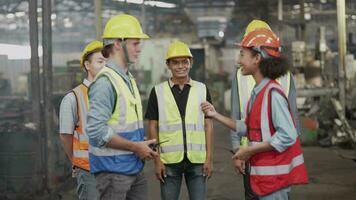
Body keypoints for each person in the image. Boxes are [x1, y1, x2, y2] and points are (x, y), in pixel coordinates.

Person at [202, 27, 308, 199]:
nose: (238, 60)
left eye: (242, 54)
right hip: (264, 179)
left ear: (257, 58)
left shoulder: (272, 94)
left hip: (275, 181)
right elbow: (249, 127)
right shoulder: (258, 92)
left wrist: (250, 150)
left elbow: (288, 135)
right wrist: (216, 115)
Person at [85, 14, 157, 199]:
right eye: (135, 43)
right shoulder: (105, 83)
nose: (139, 49)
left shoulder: (128, 79)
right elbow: (95, 131)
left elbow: (123, 124)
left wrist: (142, 143)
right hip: (113, 172)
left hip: (133, 166)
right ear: (118, 43)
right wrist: (135, 146)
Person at [230, 20, 301, 200]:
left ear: (258, 54)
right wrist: (237, 150)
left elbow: (292, 117)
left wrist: (292, 152)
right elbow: (236, 115)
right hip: (251, 153)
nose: (240, 58)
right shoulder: (240, 76)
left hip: (277, 153)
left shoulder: (285, 78)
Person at [145, 41, 213, 200]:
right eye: (175, 62)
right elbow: (152, 126)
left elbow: (208, 125)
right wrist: (157, 160)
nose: (180, 66)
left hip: (197, 161)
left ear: (191, 63)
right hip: (168, 162)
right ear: (168, 65)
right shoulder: (157, 91)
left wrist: (209, 159)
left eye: (184, 61)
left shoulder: (202, 89)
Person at [59, 40, 105, 200]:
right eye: (100, 61)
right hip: (88, 169)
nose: (105, 66)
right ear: (87, 65)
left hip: (114, 169)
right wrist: (75, 161)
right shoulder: (73, 98)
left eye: (107, 61)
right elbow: (65, 136)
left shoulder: (114, 94)